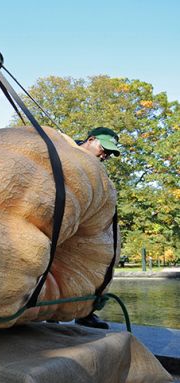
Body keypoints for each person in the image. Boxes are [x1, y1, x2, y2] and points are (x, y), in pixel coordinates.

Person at [75, 126, 121, 329]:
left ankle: (86, 312)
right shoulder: (64, 150)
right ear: (91, 139)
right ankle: (49, 312)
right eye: (105, 148)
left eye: (110, 153)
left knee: (99, 263)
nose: (106, 155)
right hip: (62, 217)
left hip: (85, 223)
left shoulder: (96, 167)